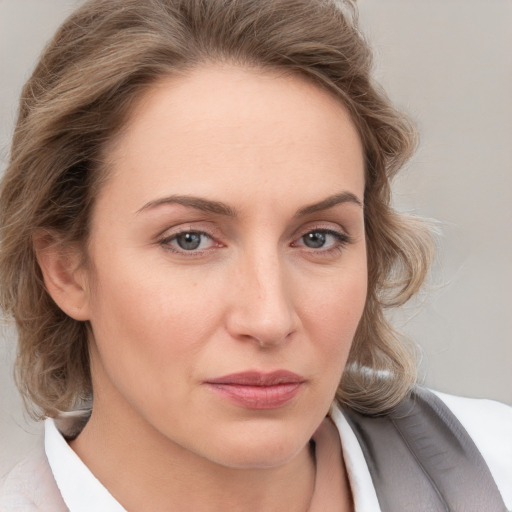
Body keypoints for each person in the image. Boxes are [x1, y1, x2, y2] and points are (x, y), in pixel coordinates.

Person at [0, 0, 510, 511]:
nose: (269, 319)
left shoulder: (496, 466)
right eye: (189, 239)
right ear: (67, 270)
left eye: (318, 238)